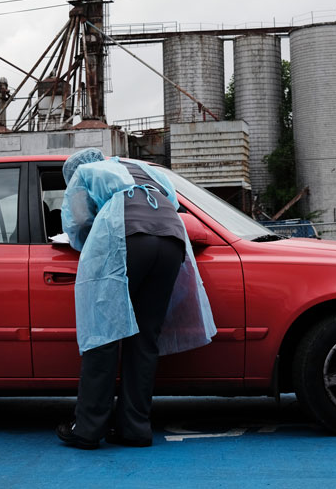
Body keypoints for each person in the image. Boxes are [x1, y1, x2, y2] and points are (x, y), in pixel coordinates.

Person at [56, 147, 217, 449]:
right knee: (144, 339)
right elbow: (171, 201)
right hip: (170, 242)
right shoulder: (141, 168)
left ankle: (87, 429)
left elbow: (78, 222)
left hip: (127, 240)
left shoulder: (84, 173)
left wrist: (85, 241)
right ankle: (135, 429)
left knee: (104, 335)